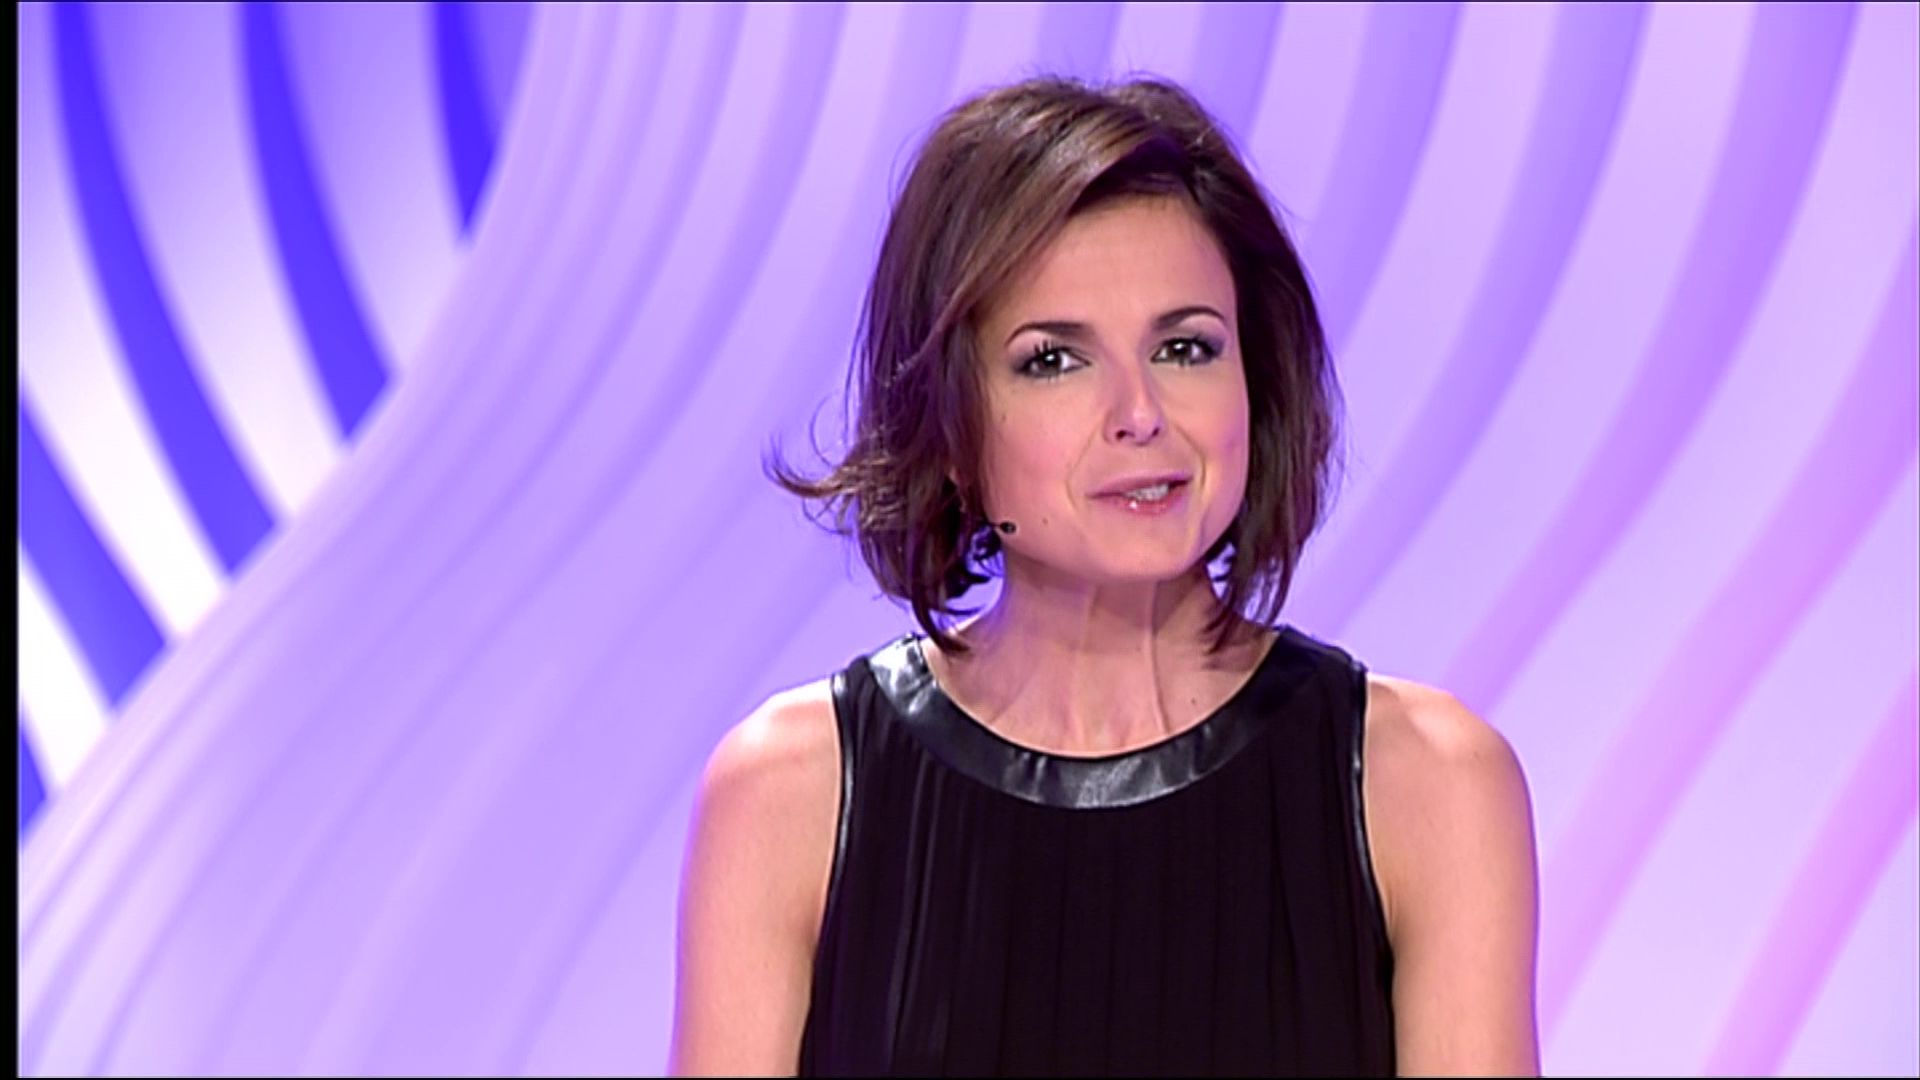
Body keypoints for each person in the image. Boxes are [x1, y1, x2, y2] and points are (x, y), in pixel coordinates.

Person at [669, 74, 1539, 1077]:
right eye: (1053, 360)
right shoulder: (791, 794)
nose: (1140, 414)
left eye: (1185, 347)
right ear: (946, 423)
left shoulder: (1424, 785)